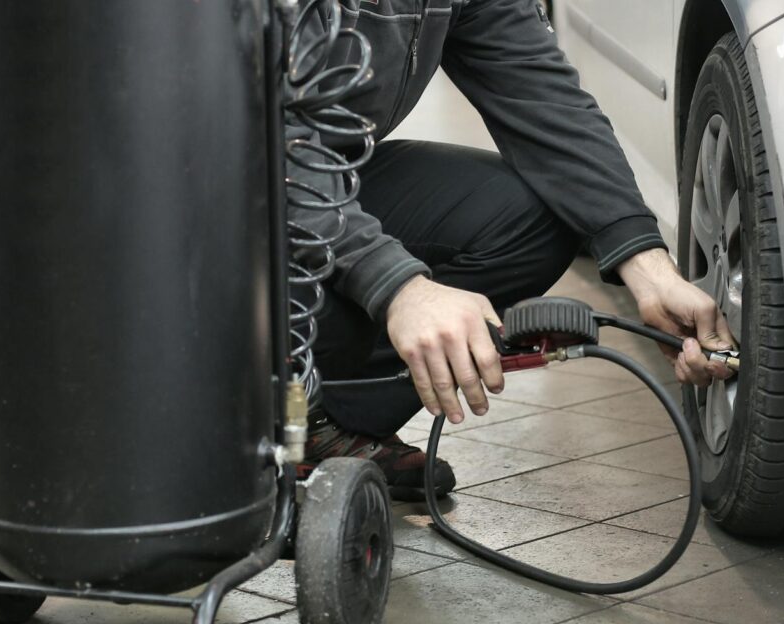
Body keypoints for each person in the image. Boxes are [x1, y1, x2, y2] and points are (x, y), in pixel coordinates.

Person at [290, 0, 735, 501]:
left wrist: (649, 268)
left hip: (319, 177)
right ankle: (228, 399)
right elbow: (241, 140)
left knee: (535, 217)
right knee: (337, 270)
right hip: (213, 203)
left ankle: (319, 418)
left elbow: (544, 100)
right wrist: (397, 287)